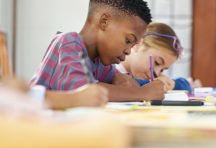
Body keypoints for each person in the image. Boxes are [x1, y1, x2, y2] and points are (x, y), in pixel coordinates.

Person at [30, 0, 167, 102]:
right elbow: (84, 93)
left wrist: (121, 78)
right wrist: (143, 93)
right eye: (128, 41)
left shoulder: (101, 63)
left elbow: (126, 82)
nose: (128, 52)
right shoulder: (68, 42)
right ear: (104, 22)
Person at [116, 22, 201, 93]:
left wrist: (173, 84)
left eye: (162, 70)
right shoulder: (108, 68)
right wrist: (161, 84)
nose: (156, 72)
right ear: (138, 44)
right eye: (157, 62)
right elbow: (126, 85)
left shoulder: (137, 76)